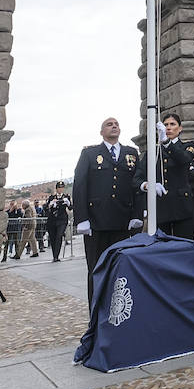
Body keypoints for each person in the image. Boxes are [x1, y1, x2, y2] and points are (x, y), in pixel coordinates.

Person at [72, 116, 143, 304]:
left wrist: (137, 214)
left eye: (116, 124)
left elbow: (137, 184)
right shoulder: (90, 154)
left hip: (122, 221)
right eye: (109, 124)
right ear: (101, 132)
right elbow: (80, 186)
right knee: (96, 269)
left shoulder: (132, 153)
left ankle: (118, 310)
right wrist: (82, 218)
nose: (114, 126)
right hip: (96, 222)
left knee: (121, 269)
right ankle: (95, 315)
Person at [138, 113, 194, 239]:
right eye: (165, 125)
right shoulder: (153, 151)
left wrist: (166, 141)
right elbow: (138, 177)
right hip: (160, 208)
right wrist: (148, 185)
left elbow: (184, 159)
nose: (168, 128)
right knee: (162, 248)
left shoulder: (188, 146)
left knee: (184, 246)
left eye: (172, 124)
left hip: (181, 207)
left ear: (180, 128)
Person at [43, 182, 72, 262]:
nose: (60, 189)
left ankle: (56, 256)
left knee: (59, 236)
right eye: (59, 188)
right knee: (53, 238)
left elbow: (70, 208)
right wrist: (51, 204)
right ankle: (54, 255)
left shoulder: (66, 196)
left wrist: (68, 203)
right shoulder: (52, 197)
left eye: (62, 187)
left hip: (62, 219)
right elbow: (45, 208)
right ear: (56, 189)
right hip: (52, 220)